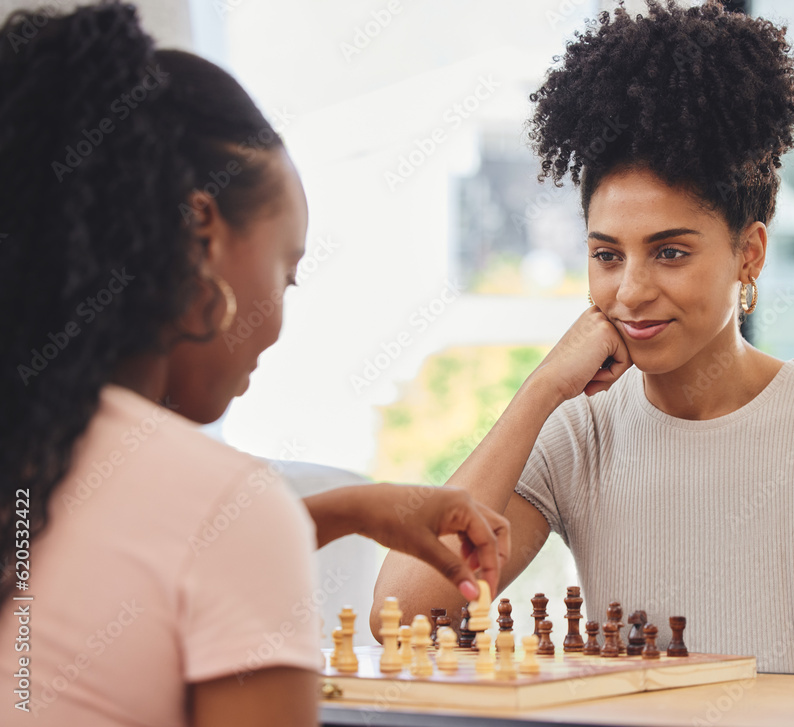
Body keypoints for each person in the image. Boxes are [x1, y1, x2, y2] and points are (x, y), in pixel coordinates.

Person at [374, 0, 794, 676]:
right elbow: (401, 617)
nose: (631, 290)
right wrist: (542, 390)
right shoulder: (577, 431)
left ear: (749, 254)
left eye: (669, 252)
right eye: (607, 255)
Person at [0, 4, 508, 725]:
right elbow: (195, 546)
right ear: (202, 235)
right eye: (288, 268)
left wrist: (346, 510)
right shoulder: (219, 508)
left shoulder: (34, 460)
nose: (285, 309)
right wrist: (263, 522)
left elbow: (138, 569)